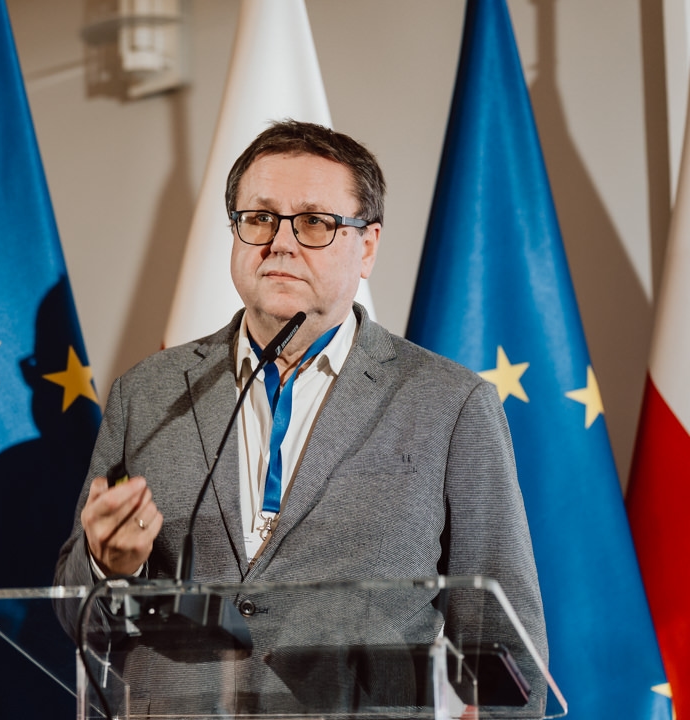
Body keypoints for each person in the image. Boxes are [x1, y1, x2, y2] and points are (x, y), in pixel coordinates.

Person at [55, 120, 546, 715]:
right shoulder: (150, 394)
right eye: (259, 218)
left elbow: (503, 637)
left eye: (315, 222)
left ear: (367, 246)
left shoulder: (447, 402)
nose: (280, 243)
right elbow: (70, 601)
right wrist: (108, 567)